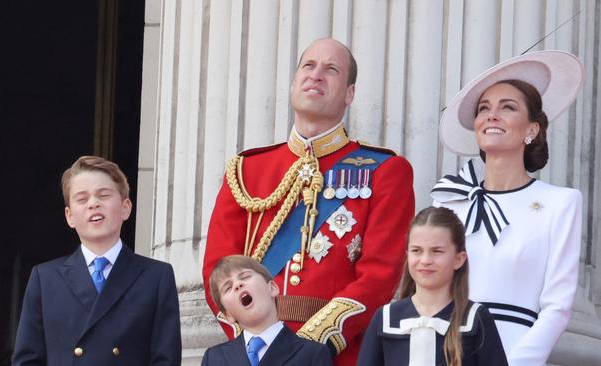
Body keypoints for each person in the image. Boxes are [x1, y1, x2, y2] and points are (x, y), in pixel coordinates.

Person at [202, 38, 415, 365]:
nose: (316, 75)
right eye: (308, 66)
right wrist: (256, 341)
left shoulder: (385, 171)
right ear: (293, 84)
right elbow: (218, 272)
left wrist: (306, 349)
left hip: (334, 355)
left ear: (349, 94)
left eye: (331, 70)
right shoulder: (246, 170)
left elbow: (381, 276)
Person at [431, 51, 584, 365]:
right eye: (484, 109)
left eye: (508, 107)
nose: (492, 115)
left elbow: (557, 307)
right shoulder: (448, 199)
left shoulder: (561, 203)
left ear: (532, 129)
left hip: (514, 351)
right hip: (444, 351)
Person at [12, 156, 181, 366]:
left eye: (104, 195)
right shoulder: (45, 278)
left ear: (125, 207)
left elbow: (165, 359)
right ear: (69, 216)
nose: (93, 203)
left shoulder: (156, 276)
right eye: (82, 199)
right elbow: (27, 360)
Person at [357, 207, 507, 365]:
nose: (425, 260)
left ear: (459, 259)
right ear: (407, 255)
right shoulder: (386, 318)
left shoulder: (476, 319)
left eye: (437, 251)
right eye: (416, 250)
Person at [202, 255, 333, 366]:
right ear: (228, 315)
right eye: (228, 288)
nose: (238, 285)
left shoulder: (312, 354)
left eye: (245, 277)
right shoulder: (214, 359)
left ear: (272, 288)